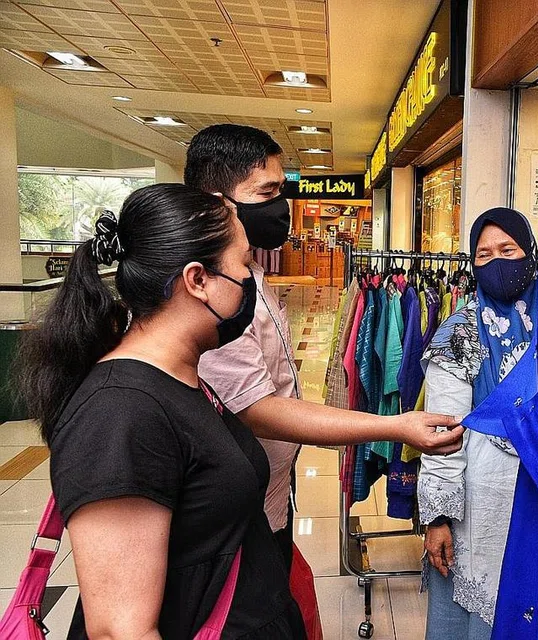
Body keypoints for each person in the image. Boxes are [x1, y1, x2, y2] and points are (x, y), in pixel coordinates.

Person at [15, 185, 306, 638]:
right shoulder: (119, 413)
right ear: (198, 280)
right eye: (243, 262)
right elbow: (121, 630)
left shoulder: (180, 378)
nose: (250, 277)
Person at [184, 124, 464, 570]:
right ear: (219, 202)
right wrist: (393, 426)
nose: (280, 206)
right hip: (236, 515)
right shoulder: (212, 291)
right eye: (267, 192)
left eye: (281, 189)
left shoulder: (249, 272)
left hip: (269, 493)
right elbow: (258, 409)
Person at [418, 207, 538, 640]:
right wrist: (438, 518)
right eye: (484, 255)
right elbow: (442, 431)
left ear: (530, 252)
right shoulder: (459, 333)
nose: (497, 262)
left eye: (508, 250)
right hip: (482, 503)